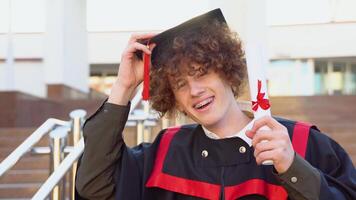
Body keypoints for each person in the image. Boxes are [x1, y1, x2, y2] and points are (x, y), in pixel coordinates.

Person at [75, 9, 356, 200]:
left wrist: (293, 168)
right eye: (180, 84)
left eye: (201, 72)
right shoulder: (166, 152)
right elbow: (94, 187)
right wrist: (123, 86)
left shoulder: (304, 143)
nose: (195, 90)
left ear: (226, 69)